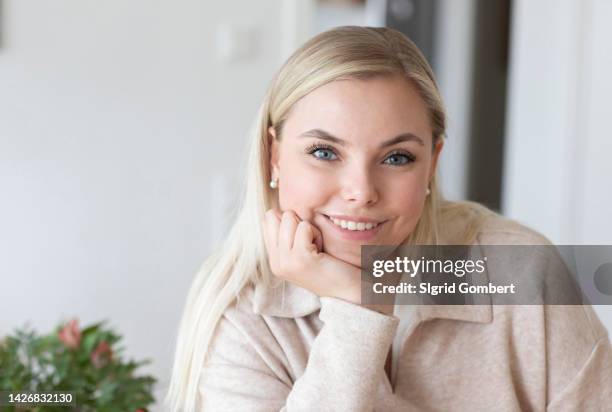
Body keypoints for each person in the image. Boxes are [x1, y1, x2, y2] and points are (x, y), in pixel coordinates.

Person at [166, 26, 612, 411]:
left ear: (432, 163)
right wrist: (358, 308)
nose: (361, 191)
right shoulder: (242, 308)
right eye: (324, 152)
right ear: (274, 156)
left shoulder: (522, 271)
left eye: (397, 157)